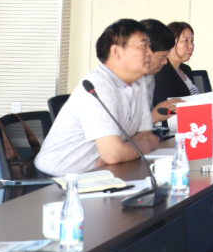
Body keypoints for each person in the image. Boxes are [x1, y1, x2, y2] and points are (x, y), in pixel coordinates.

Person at [35, 19, 163, 176]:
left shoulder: (138, 82)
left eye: (150, 46)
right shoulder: (98, 85)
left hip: (102, 173)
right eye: (144, 46)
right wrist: (148, 145)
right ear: (116, 52)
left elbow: (144, 134)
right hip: (58, 180)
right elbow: (115, 153)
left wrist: (122, 152)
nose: (150, 53)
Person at [138, 19, 181, 120]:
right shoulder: (120, 83)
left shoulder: (150, 77)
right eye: (162, 57)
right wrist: (154, 117)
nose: (165, 62)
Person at [153, 21, 201, 106]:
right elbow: (167, 107)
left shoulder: (186, 69)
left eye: (192, 41)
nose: (191, 46)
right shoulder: (161, 71)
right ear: (171, 43)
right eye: (186, 40)